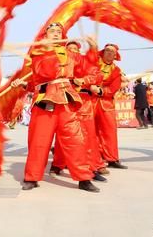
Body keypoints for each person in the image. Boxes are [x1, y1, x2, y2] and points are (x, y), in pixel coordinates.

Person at [21, 21, 100, 192]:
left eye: (59, 31)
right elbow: (45, 73)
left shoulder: (70, 54)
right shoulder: (38, 52)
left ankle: (84, 178)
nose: (56, 34)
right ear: (45, 35)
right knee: (39, 141)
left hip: (67, 101)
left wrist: (93, 49)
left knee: (75, 140)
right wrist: (49, 50)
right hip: (46, 101)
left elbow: (89, 67)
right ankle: (31, 177)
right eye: (52, 31)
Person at [92, 43, 128, 171]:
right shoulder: (93, 64)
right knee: (92, 131)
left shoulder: (116, 71)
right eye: (107, 50)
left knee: (110, 131)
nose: (109, 53)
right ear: (103, 52)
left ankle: (112, 158)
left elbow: (114, 88)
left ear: (115, 55)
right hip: (90, 103)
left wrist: (102, 91)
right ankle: (95, 158)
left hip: (107, 104)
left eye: (112, 52)